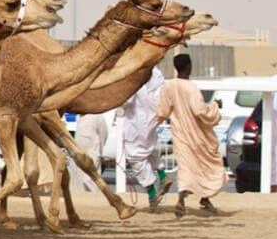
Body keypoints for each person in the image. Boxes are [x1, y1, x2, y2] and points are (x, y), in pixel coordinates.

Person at [157, 53, 226, 216]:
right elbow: (200, 111)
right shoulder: (191, 88)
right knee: (203, 165)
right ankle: (184, 199)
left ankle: (201, 199)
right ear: (189, 66)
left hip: (180, 132)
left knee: (186, 166)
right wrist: (215, 106)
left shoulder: (169, 86)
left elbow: (163, 111)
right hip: (197, 135)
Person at [115, 66, 171, 210]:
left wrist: (115, 100)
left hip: (136, 121)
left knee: (135, 157)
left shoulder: (134, 71)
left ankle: (152, 195)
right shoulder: (157, 72)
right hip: (152, 119)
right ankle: (162, 175)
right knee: (148, 149)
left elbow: (127, 99)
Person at [72, 113, 108, 193]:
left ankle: (98, 197)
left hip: (93, 152)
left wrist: (99, 152)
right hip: (79, 153)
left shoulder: (97, 116)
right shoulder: (78, 117)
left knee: (88, 179)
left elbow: (104, 134)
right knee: (79, 181)